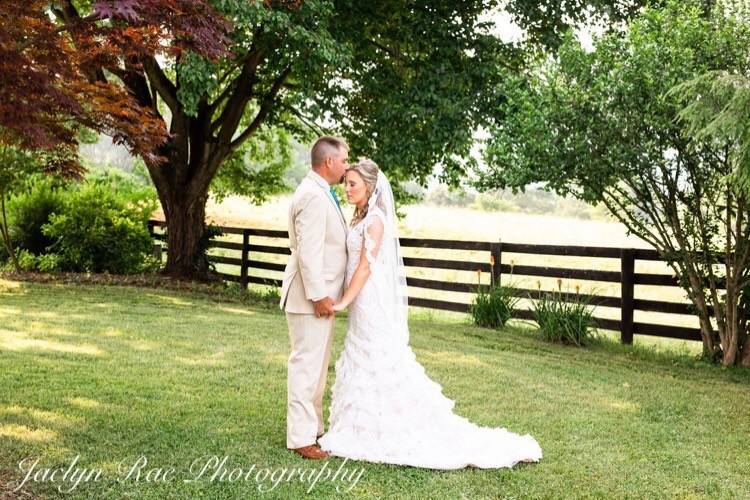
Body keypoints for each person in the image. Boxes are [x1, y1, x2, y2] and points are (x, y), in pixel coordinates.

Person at [317, 158, 543, 468]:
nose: (347, 189)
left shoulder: (375, 220)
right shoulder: (359, 216)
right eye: (346, 183)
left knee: (376, 356)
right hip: (361, 301)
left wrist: (343, 301)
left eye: (353, 184)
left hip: (369, 300)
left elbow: (366, 266)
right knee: (361, 353)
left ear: (370, 186)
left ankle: (387, 427)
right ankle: (356, 425)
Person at [280, 136, 349, 459]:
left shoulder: (322, 193)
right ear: (329, 162)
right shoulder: (312, 196)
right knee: (306, 366)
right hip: (309, 298)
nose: (347, 166)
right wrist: (320, 296)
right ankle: (300, 438)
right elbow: (308, 253)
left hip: (323, 298)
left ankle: (314, 427)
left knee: (318, 367)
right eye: (345, 160)